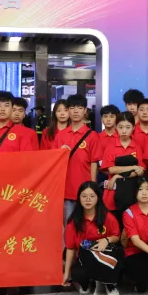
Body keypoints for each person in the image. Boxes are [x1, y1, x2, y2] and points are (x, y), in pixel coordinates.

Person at [62, 181, 123, 295]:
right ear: (79, 198)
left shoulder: (107, 217)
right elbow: (70, 248)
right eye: (84, 196)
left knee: (113, 258)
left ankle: (109, 284)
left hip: (104, 255)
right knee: (77, 273)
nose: (88, 199)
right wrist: (66, 273)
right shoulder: (73, 222)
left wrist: (106, 240)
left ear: (98, 198)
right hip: (85, 258)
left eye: (92, 196)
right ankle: (88, 283)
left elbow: (116, 236)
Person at [56, 95, 100, 223]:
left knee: (86, 224)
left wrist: (93, 187)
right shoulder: (61, 135)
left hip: (85, 189)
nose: (75, 111)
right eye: (72, 108)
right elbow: (53, 161)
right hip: (65, 189)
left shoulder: (92, 136)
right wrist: (60, 153)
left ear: (85, 111)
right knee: (68, 225)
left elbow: (94, 163)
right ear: (68, 110)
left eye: (80, 108)